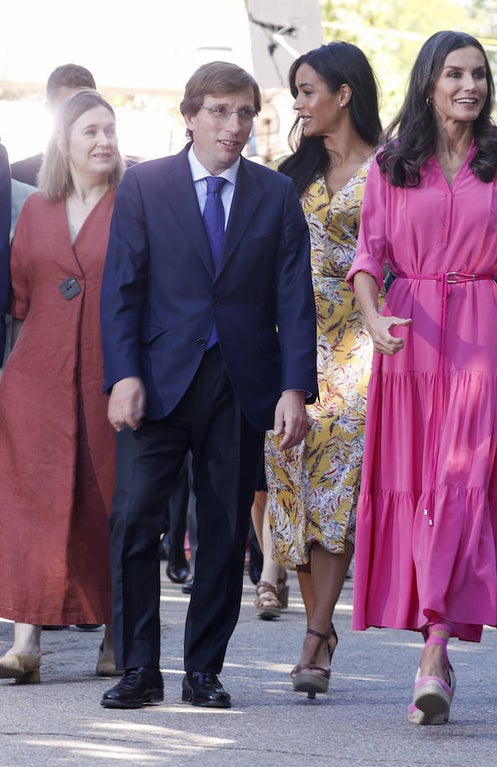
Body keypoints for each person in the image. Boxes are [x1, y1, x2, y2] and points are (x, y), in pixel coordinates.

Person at [99, 61, 317, 710]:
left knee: (224, 529)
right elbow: (122, 290)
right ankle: (139, 667)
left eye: (245, 112)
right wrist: (123, 375)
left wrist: (294, 387)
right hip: (158, 382)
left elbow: (293, 297)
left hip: (241, 380)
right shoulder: (144, 187)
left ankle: (203, 670)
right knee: (135, 520)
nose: (234, 125)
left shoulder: (274, 194)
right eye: (220, 111)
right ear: (189, 116)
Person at [348, 30, 497, 726]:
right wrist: (371, 318)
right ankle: (435, 641)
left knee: (460, 481)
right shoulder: (392, 163)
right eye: (455, 73)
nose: (470, 85)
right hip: (410, 334)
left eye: (480, 74)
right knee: (417, 484)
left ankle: (433, 647)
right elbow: (368, 254)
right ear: (428, 81)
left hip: (483, 333)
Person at [263, 40, 383, 698]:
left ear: (344, 94)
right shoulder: (290, 170)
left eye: (309, 90)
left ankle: (315, 636)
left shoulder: (394, 170)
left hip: (360, 349)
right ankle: (320, 628)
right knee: (292, 486)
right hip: (291, 347)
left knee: (334, 485)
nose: (299, 102)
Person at [0, 90, 124, 683]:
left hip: (110, 377)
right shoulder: (37, 211)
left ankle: (115, 635)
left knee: (110, 503)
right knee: (30, 504)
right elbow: (21, 297)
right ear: (65, 144)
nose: (104, 142)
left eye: (110, 130)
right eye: (90, 132)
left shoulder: (134, 205)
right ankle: (26, 644)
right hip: (37, 379)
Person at [11, 64, 97, 186]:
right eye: (67, 109)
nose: (77, 118)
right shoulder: (16, 177)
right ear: (49, 109)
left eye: (84, 108)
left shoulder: (122, 179)